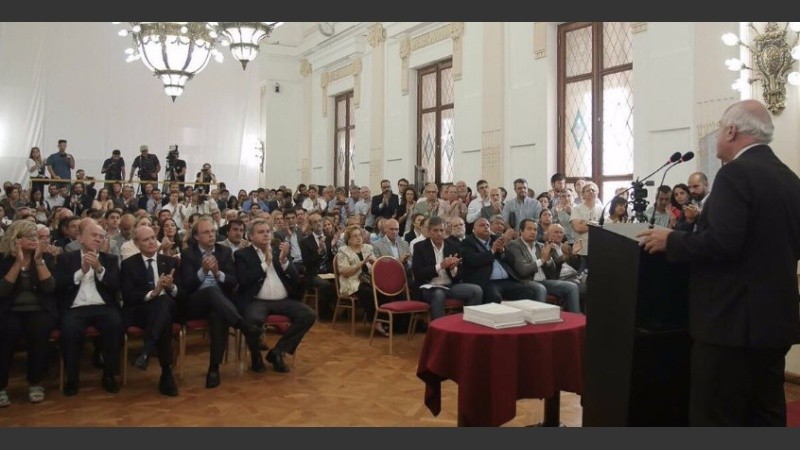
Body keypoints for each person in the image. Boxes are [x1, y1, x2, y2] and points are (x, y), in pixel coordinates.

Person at [637, 99, 800, 427]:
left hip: (730, 326)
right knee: (765, 413)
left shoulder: (735, 174)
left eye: (718, 129)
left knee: (717, 417)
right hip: (774, 323)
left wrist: (672, 240)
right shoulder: (789, 178)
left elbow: (722, 242)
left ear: (731, 130)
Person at [235, 218, 317, 373]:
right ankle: (256, 355)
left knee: (308, 315)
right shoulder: (242, 255)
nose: (266, 235)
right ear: (250, 236)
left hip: (282, 300)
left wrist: (284, 260)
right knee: (252, 322)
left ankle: (278, 351)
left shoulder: (278, 250)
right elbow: (244, 280)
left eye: (268, 231)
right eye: (261, 232)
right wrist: (265, 263)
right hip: (257, 301)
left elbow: (295, 276)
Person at [55, 218, 123, 396]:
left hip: (102, 306)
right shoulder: (66, 258)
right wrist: (82, 271)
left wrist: (99, 269)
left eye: (102, 236)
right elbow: (59, 285)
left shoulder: (110, 259)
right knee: (69, 329)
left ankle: (109, 375)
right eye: (94, 235)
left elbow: (116, 286)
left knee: (115, 324)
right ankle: (72, 378)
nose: (98, 239)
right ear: (81, 238)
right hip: (75, 307)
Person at [179, 215, 244, 389]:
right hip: (195, 303)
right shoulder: (188, 254)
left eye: (213, 231)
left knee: (218, 314)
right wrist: (203, 271)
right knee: (210, 292)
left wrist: (217, 273)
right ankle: (239, 323)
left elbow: (232, 282)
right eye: (206, 232)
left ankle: (213, 369)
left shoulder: (224, 252)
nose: (211, 235)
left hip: (219, 304)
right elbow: (187, 285)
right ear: (196, 237)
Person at [0, 221, 58, 407]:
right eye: (30, 237)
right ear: (16, 239)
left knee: (40, 332)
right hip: (10, 309)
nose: (35, 240)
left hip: (39, 309)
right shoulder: (4, 259)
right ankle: (1, 386)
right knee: (6, 333)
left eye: (36, 236)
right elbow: (3, 291)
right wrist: (18, 262)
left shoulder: (44, 257)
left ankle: (35, 382)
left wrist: (39, 260)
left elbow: (49, 288)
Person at [120, 225, 179, 396]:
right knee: (163, 312)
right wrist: (152, 293)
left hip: (166, 306)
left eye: (153, 237)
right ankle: (166, 372)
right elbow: (128, 295)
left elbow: (181, 293)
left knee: (165, 301)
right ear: (137, 244)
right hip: (141, 311)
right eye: (146, 239)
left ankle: (146, 351)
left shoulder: (170, 262)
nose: (152, 242)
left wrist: (171, 286)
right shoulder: (128, 264)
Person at [412, 216, 482, 320]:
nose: (439, 233)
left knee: (476, 290)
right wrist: (440, 266)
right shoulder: (420, 247)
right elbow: (418, 273)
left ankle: (469, 325)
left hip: (450, 286)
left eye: (441, 230)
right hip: (429, 287)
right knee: (439, 294)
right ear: (429, 231)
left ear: (446, 231)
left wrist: (453, 268)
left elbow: (460, 275)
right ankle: (439, 330)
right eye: (435, 230)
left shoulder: (453, 246)